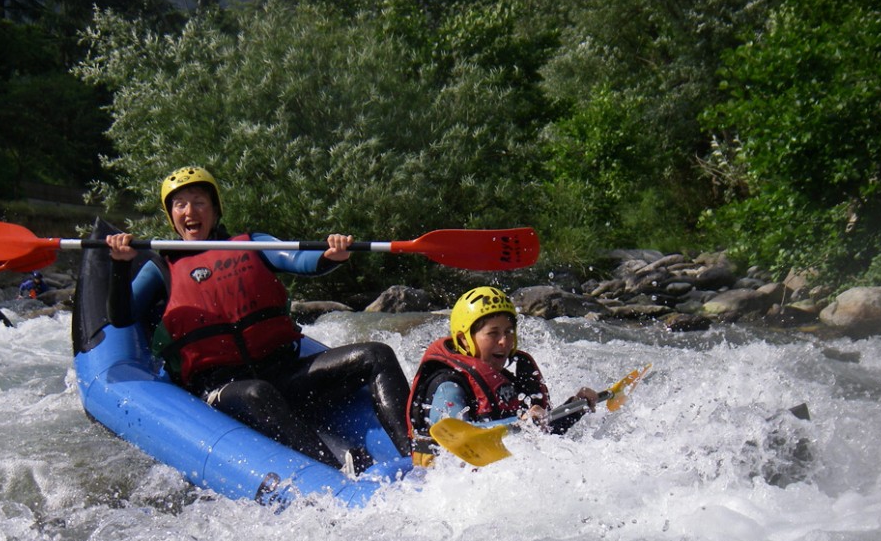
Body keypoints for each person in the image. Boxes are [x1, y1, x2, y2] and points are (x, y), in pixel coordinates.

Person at [105, 165, 411, 470]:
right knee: (257, 392)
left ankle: (419, 452)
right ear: (171, 216)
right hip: (222, 389)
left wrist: (330, 255)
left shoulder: (251, 243)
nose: (190, 211)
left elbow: (302, 259)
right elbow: (121, 317)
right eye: (180, 204)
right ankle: (333, 470)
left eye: (199, 201)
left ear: (214, 209)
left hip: (284, 372)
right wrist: (120, 267)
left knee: (376, 354)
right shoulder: (161, 267)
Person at [406, 286, 600, 466]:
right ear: (464, 340)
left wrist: (575, 406)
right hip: (440, 475)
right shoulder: (448, 384)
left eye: (509, 332)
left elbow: (542, 432)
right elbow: (455, 438)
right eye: (493, 333)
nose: (504, 341)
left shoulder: (508, 379)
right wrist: (520, 422)